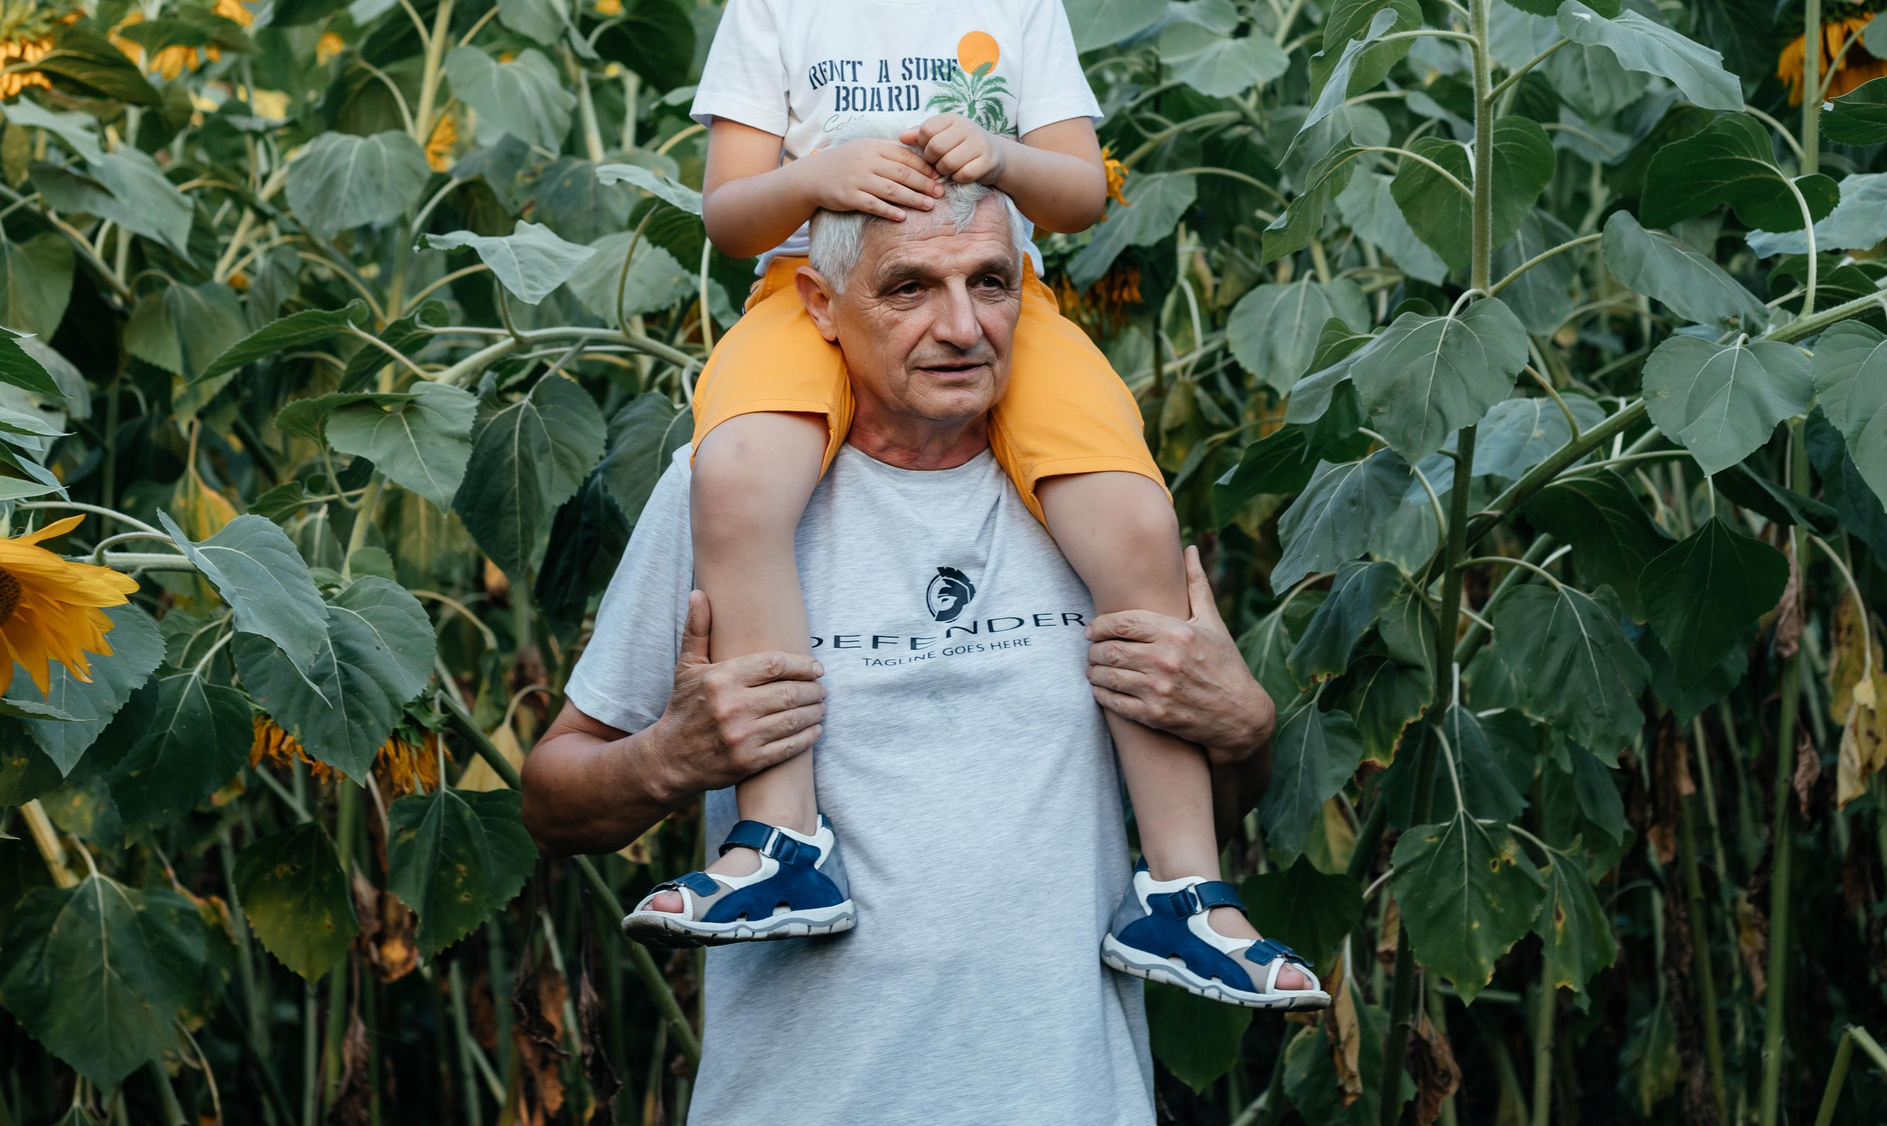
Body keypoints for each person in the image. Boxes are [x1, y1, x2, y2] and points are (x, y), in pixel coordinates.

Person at [646, 0, 1298, 1003]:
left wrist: (996, 149)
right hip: (814, 297)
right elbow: (728, 211)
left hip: (1003, 303)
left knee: (1129, 518)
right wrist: (822, 174)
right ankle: (781, 836)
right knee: (737, 480)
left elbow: (1077, 190)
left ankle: (1182, 884)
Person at [522, 188, 1319, 1124]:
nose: (961, 326)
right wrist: (668, 759)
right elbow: (552, 797)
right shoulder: (724, 493)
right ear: (821, 304)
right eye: (909, 287)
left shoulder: (1101, 507)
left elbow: (1202, 809)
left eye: (990, 281)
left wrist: (1246, 729)